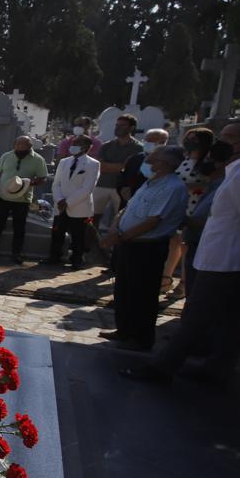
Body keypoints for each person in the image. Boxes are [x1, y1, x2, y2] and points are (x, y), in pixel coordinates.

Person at [122, 121, 240, 383]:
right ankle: (217, 369)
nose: (220, 142)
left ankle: (161, 368)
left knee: (195, 318)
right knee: (234, 320)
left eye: (229, 137)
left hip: (226, 260)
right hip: (233, 259)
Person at [96, 145, 189, 352]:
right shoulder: (150, 183)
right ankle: (124, 330)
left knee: (142, 295)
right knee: (124, 291)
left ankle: (141, 338)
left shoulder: (172, 188)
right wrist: (115, 229)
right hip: (129, 243)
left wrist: (120, 236)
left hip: (148, 247)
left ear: (163, 164)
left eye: (152, 159)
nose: (147, 162)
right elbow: (128, 209)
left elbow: (153, 221)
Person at [161, 127, 214, 299]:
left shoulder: (208, 163)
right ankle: (166, 278)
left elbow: (210, 185)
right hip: (178, 205)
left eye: (194, 139)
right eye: (188, 138)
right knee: (173, 243)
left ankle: (184, 284)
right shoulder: (184, 159)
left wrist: (190, 187)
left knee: (186, 246)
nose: (189, 142)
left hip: (194, 206)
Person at [177, 141, 231, 295]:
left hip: (207, 246)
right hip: (195, 242)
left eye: (208, 160)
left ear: (220, 163)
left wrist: (181, 218)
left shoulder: (223, 187)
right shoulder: (211, 184)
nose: (203, 164)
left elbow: (210, 221)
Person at [0, 135, 49, 264]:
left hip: (22, 198)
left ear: (29, 147)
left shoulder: (38, 160)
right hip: (3, 196)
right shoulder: (6, 156)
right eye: (17, 146)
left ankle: (16, 253)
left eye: (22, 146)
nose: (19, 148)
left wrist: (30, 183)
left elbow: (43, 178)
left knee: (19, 227)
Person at [43, 134, 101, 268]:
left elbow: (87, 188)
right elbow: (56, 183)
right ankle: (54, 256)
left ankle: (76, 259)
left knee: (78, 235)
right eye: (73, 143)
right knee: (57, 232)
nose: (73, 146)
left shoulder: (93, 164)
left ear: (86, 147)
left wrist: (67, 202)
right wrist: (59, 199)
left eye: (77, 144)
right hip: (60, 204)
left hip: (79, 206)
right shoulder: (64, 162)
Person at [94, 114, 142, 231]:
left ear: (131, 128)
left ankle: (114, 247)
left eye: (122, 125)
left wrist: (112, 166)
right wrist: (122, 166)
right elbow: (101, 166)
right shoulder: (106, 146)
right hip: (102, 184)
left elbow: (131, 167)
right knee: (92, 217)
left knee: (121, 219)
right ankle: (88, 245)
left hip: (122, 188)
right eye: (117, 125)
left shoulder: (138, 148)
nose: (118, 127)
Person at [117, 128, 170, 202]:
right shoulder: (135, 158)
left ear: (163, 142)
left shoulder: (168, 161)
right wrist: (124, 187)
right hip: (131, 199)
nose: (147, 143)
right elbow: (124, 176)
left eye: (151, 140)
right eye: (146, 140)